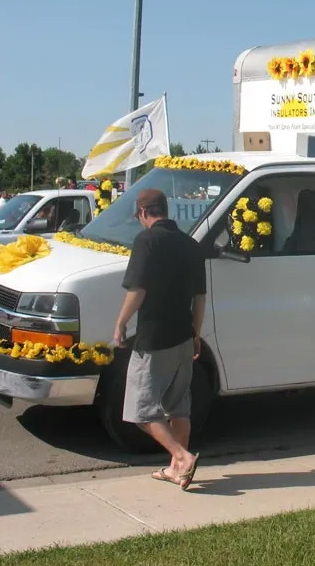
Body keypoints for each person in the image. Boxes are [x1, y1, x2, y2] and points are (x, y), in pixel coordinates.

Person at [113, 188, 205, 490]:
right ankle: (176, 471)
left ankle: (182, 457)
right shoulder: (190, 245)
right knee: (178, 406)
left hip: (154, 340)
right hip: (183, 337)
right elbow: (200, 297)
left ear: (143, 212)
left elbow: (137, 289)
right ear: (166, 209)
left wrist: (121, 323)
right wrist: (196, 333)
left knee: (140, 409)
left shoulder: (147, 241)